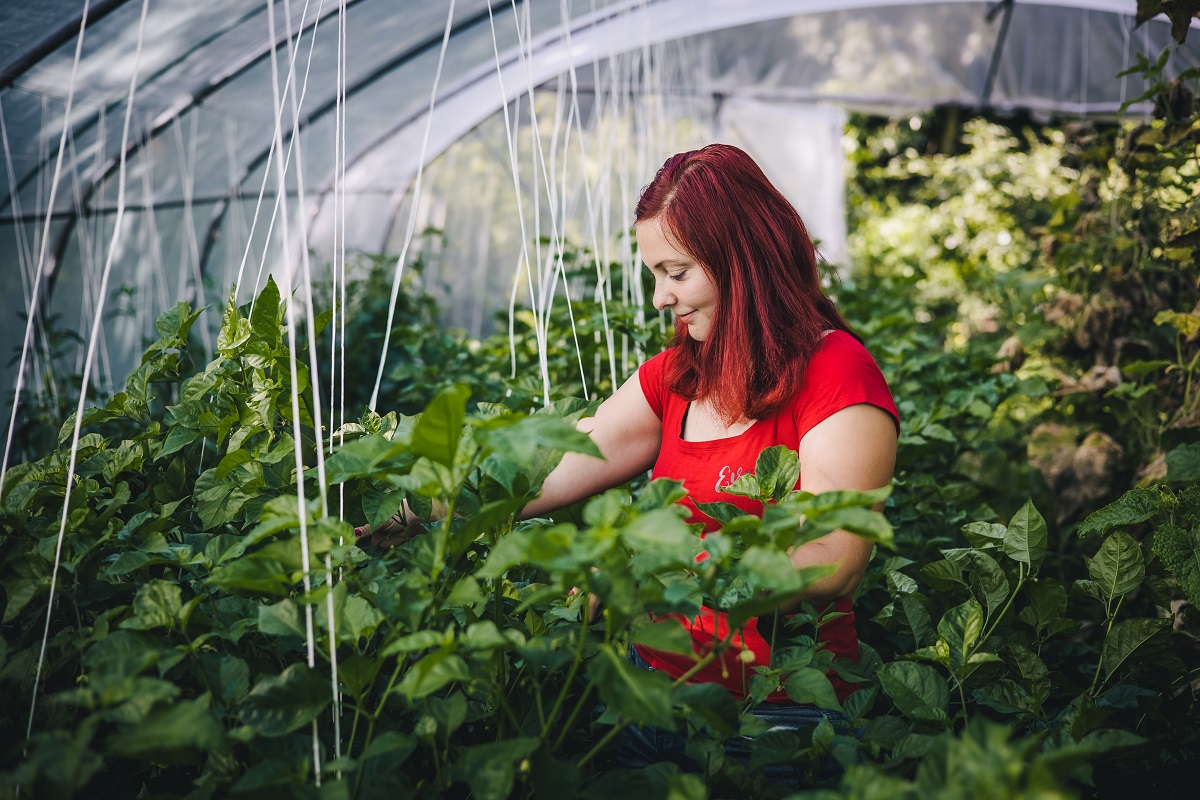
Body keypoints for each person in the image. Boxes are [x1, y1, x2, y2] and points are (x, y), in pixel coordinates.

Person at [365, 143, 899, 778]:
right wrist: (409, 506)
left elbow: (831, 560)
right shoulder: (679, 376)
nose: (659, 298)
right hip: (648, 697)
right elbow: (548, 463)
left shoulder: (838, 375)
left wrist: (643, 570)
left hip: (773, 720)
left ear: (744, 264)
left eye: (676, 273)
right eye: (654, 275)